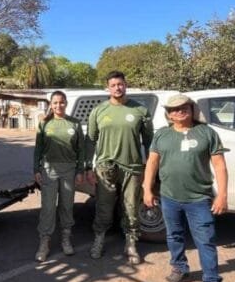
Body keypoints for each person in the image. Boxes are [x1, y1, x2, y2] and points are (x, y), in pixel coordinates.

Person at [142, 93, 229, 282]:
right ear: (168, 114)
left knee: (206, 241)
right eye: (173, 109)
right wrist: (147, 189)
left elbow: (219, 165)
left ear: (191, 110)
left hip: (198, 199)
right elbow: (152, 162)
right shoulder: (162, 135)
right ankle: (179, 268)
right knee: (174, 235)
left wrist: (222, 195)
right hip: (169, 197)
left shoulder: (207, 133)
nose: (178, 111)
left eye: (183, 108)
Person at [86, 71, 153, 263]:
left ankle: (131, 244)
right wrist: (87, 167)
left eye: (120, 84)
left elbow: (149, 141)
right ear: (108, 87)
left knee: (131, 208)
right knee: (103, 208)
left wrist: (150, 167)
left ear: (126, 85)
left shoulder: (140, 110)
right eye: (113, 85)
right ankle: (99, 240)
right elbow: (90, 141)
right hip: (105, 167)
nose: (117, 88)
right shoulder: (98, 111)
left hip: (132, 168)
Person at [33, 91, 85, 262]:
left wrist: (80, 171)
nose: (58, 105)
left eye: (61, 102)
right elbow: (38, 149)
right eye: (55, 103)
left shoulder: (75, 124)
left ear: (66, 103)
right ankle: (44, 242)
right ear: (51, 104)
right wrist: (36, 169)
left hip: (69, 170)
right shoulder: (44, 124)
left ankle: (66, 238)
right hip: (49, 170)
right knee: (48, 207)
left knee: (66, 206)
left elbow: (81, 150)